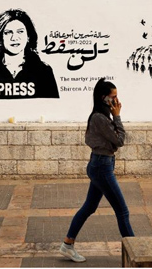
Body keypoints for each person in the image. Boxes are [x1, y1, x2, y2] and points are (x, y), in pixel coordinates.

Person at [59, 78, 135, 263]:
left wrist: (114, 117)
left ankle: (67, 245)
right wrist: (117, 116)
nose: (117, 101)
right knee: (122, 211)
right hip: (102, 166)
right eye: (113, 97)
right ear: (104, 98)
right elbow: (120, 140)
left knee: (89, 207)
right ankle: (136, 252)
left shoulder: (100, 115)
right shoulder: (100, 118)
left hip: (100, 164)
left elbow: (113, 140)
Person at [0, 9, 59, 99]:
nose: (14, 38)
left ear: (28, 36)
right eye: (8, 33)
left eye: (20, 32)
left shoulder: (44, 71)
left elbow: (53, 108)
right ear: (0, 39)